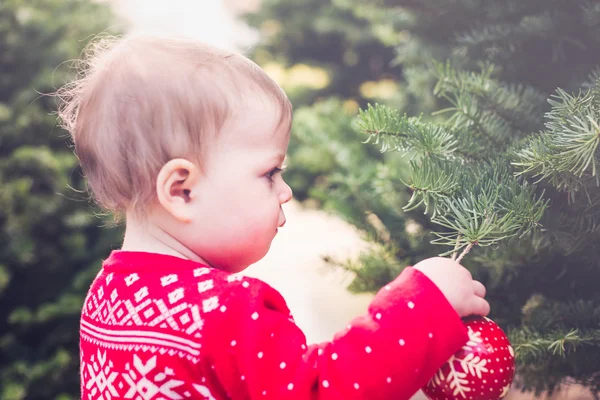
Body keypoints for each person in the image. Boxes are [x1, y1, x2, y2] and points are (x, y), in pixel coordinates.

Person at [56, 34, 490, 400]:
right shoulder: (222, 312)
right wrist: (425, 304)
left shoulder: (105, 300)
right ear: (182, 191)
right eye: (270, 172)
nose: (286, 192)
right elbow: (323, 389)